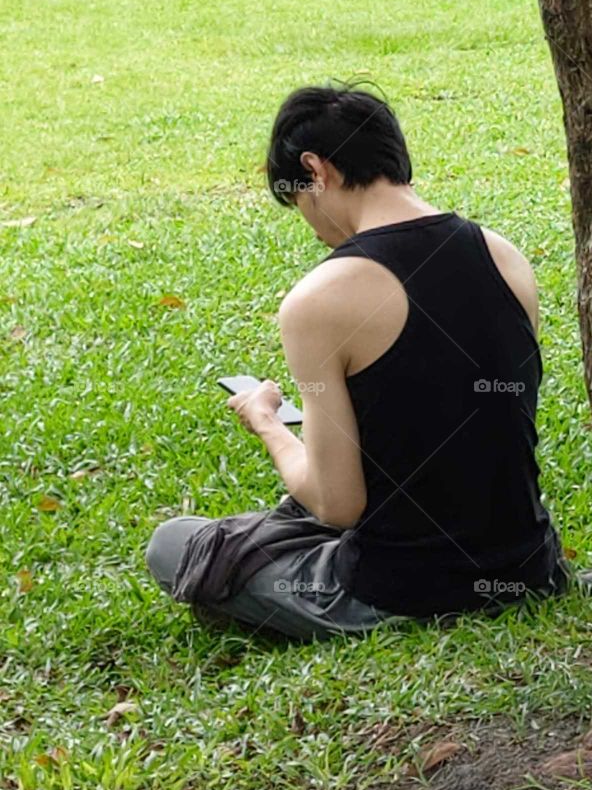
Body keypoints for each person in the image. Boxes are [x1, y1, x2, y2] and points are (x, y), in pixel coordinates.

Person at [145, 83, 570, 639]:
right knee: (294, 512)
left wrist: (268, 423)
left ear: (314, 171)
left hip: (402, 590)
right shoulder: (505, 255)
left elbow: (337, 503)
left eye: (296, 201)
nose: (311, 225)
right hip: (528, 567)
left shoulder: (318, 301)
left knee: (175, 543)